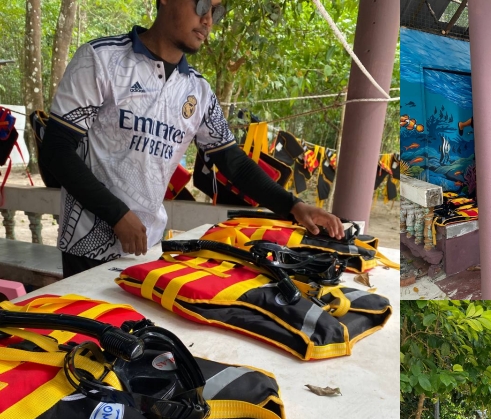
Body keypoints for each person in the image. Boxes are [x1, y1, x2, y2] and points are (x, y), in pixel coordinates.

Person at [41, 0, 344, 278]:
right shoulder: (101, 59)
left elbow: (232, 162)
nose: (208, 20)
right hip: (86, 247)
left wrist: (294, 206)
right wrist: (117, 214)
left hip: (148, 248)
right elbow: (57, 150)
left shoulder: (198, 92)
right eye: (201, 5)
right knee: (89, 336)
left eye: (216, 11)